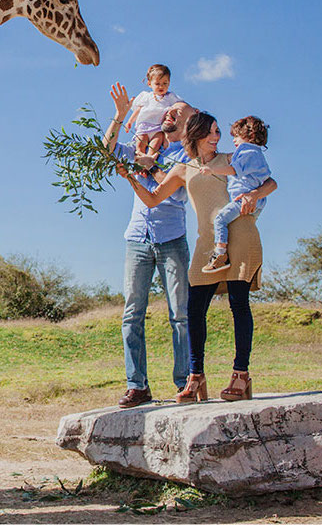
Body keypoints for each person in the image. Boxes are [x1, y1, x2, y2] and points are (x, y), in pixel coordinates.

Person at [124, 112, 278, 404]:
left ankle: (240, 376)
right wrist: (131, 176)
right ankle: (196, 378)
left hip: (241, 235)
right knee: (194, 310)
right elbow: (154, 198)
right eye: (211, 132)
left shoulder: (232, 159)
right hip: (208, 244)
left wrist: (254, 194)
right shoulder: (184, 168)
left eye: (218, 131)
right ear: (195, 135)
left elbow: (271, 183)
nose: (217, 137)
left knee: (238, 305)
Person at [102, 83, 197, 408]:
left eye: (176, 112)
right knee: (132, 314)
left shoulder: (189, 156)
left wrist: (149, 165)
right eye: (167, 110)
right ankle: (137, 386)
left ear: (189, 123)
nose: (167, 112)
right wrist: (119, 116)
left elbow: (173, 193)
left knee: (181, 316)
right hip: (137, 238)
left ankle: (186, 383)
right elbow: (107, 150)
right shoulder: (143, 145)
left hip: (172, 239)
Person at [200, 116, 272, 274]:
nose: (234, 141)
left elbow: (233, 169)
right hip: (257, 202)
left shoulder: (247, 152)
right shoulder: (257, 154)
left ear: (250, 136)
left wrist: (212, 170)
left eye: (237, 136)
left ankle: (220, 255)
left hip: (245, 199)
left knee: (220, 219)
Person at [124, 64, 183, 161]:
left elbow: (181, 105)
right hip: (144, 125)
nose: (161, 86)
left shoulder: (170, 97)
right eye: (157, 83)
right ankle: (140, 160)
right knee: (140, 144)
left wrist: (193, 109)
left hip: (158, 128)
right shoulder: (146, 96)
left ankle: (149, 160)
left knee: (155, 145)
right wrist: (130, 121)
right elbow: (138, 110)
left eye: (165, 83)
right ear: (149, 84)